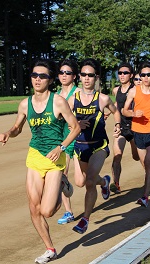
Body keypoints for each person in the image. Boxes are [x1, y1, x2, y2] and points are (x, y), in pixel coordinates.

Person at [0, 59, 81, 264]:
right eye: (34, 75)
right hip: (35, 156)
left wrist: (60, 147)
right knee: (34, 209)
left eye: (42, 76)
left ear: (50, 80)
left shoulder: (58, 101)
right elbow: (17, 127)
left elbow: (76, 128)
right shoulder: (25, 104)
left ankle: (62, 182)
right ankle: (50, 249)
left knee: (47, 211)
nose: (37, 79)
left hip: (54, 158)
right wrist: (9, 132)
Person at [68, 58, 121, 234]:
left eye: (90, 75)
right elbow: (63, 120)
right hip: (79, 146)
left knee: (89, 181)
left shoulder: (103, 99)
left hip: (98, 146)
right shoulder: (72, 99)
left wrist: (118, 125)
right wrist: (76, 123)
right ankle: (104, 181)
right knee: (80, 182)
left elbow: (116, 112)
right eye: (83, 74)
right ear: (79, 77)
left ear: (96, 77)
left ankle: (85, 219)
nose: (86, 78)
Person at [122, 61, 150, 207]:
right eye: (143, 75)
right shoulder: (133, 91)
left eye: (149, 75)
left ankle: (145, 196)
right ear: (139, 76)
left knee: (147, 163)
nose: (146, 77)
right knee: (145, 164)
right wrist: (134, 113)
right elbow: (124, 110)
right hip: (137, 132)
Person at [56, 59, 80, 225]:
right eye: (61, 72)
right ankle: (68, 211)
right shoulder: (56, 95)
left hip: (79, 137)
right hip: (62, 138)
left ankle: (103, 181)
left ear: (74, 76)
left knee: (82, 180)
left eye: (68, 73)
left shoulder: (79, 92)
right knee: (62, 174)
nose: (64, 75)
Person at [110, 62, 139, 194]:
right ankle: (115, 183)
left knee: (136, 157)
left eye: (125, 73)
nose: (122, 75)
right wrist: (107, 113)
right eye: (120, 73)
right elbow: (118, 103)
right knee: (117, 155)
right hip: (121, 127)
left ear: (131, 75)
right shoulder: (116, 90)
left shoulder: (136, 90)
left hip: (135, 128)